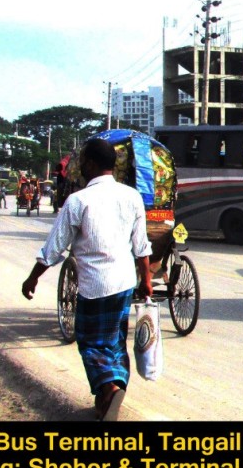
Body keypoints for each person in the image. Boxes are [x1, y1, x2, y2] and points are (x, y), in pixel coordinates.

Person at [21, 138, 153, 421]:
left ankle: (110, 386)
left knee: (90, 342)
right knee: (115, 340)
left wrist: (32, 278)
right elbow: (141, 246)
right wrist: (147, 279)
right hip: (124, 282)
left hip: (95, 285)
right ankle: (108, 395)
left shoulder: (78, 200)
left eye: (82, 161)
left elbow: (54, 248)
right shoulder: (132, 196)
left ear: (91, 164)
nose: (79, 166)